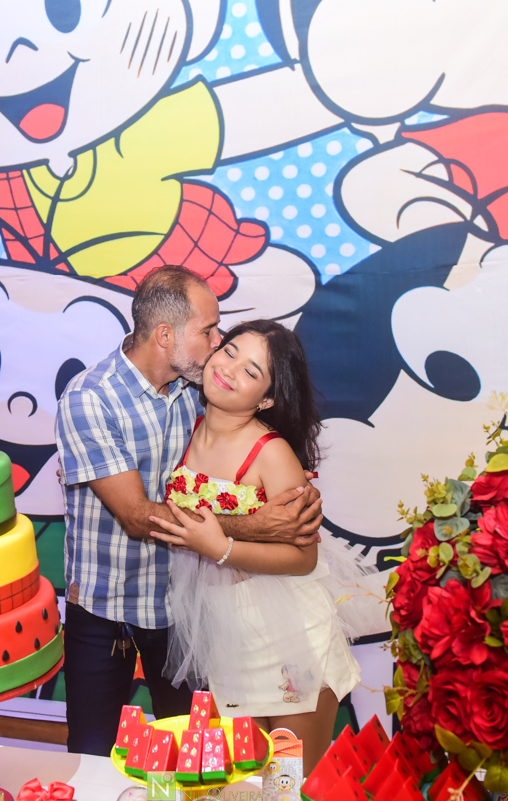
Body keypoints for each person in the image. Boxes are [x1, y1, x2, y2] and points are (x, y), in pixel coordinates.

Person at [56, 266, 324, 756]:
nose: (219, 343)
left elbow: (292, 537)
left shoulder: (195, 395)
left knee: (206, 760)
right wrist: (258, 525)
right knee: (94, 751)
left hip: (185, 612)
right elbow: (138, 516)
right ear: (165, 336)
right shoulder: (89, 398)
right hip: (106, 609)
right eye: (210, 331)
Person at [150, 320, 371, 776]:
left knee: (289, 784)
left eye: (251, 372)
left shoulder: (271, 453)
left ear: (266, 399)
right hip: (226, 637)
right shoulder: (183, 428)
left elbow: (303, 557)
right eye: (229, 352)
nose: (229, 370)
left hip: (289, 641)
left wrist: (222, 548)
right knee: (244, 784)